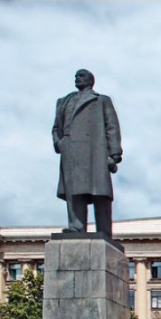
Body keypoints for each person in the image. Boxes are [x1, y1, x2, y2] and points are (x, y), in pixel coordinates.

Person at [52, 69, 122, 238]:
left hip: (95, 151)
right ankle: (76, 227)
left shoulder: (101, 100)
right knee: (74, 191)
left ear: (91, 81)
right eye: (76, 76)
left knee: (100, 193)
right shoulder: (64, 101)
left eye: (81, 76)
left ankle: (104, 231)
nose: (77, 78)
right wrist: (59, 143)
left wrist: (114, 154)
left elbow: (111, 126)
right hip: (71, 151)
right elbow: (56, 127)